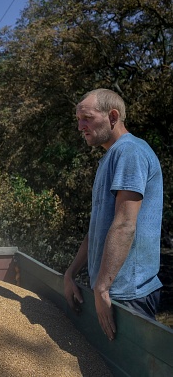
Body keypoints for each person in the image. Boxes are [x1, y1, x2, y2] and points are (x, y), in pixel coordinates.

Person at [64, 88, 163, 341]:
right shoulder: (110, 158)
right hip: (109, 293)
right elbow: (97, 230)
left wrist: (103, 286)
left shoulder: (130, 152)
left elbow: (124, 225)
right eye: (78, 120)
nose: (80, 126)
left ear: (113, 116)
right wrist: (71, 272)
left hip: (129, 294)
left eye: (86, 118)